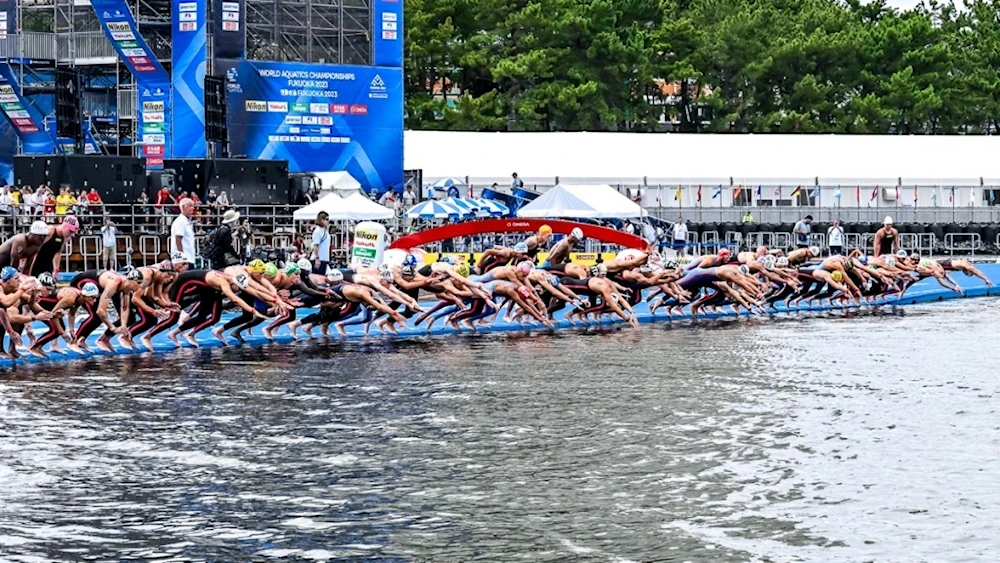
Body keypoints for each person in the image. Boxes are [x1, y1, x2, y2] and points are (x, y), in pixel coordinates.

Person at [170, 198, 197, 264]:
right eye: (190, 206)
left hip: (189, 258)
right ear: (183, 207)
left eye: (193, 206)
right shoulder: (181, 221)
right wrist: (182, 258)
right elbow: (178, 239)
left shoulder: (186, 221)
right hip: (184, 261)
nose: (193, 208)